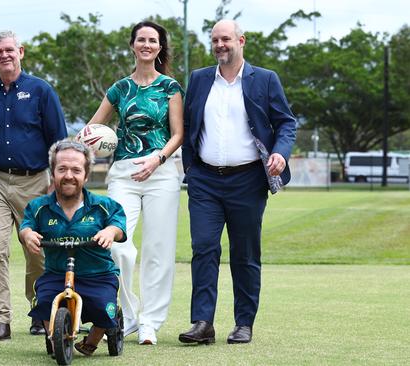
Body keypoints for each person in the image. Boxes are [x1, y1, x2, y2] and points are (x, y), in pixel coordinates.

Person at [178, 19, 296, 345]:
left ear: (241, 40)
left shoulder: (266, 79)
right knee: (204, 248)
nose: (220, 45)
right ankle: (203, 323)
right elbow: (189, 123)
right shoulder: (200, 79)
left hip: (247, 180)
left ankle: (244, 322)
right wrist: (190, 166)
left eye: (226, 39)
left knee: (244, 254)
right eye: (215, 40)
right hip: (204, 180)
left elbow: (286, 123)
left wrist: (281, 153)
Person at [86, 20, 184, 345]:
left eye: (152, 40)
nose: (146, 44)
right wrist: (85, 141)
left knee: (159, 249)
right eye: (140, 39)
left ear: (159, 47)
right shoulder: (119, 88)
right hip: (123, 173)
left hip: (162, 172)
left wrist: (157, 159)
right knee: (116, 245)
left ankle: (150, 323)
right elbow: (91, 127)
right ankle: (127, 317)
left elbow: (178, 134)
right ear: (132, 45)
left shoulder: (170, 87)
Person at [0, 30, 68, 341]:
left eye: (9, 50)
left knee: (36, 250)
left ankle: (40, 311)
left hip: (36, 182)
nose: (5, 55)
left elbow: (60, 140)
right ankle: (0, 320)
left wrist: (57, 183)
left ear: (21, 52)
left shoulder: (41, 91)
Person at [19, 139, 126, 356]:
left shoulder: (102, 205)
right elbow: (26, 226)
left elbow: (119, 224)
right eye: (62, 169)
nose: (69, 175)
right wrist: (28, 235)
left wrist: (110, 232)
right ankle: (55, 334)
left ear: (86, 175)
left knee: (105, 308)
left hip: (98, 274)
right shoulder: (39, 207)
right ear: (53, 173)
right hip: (56, 273)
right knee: (44, 300)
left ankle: (93, 340)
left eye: (76, 170)